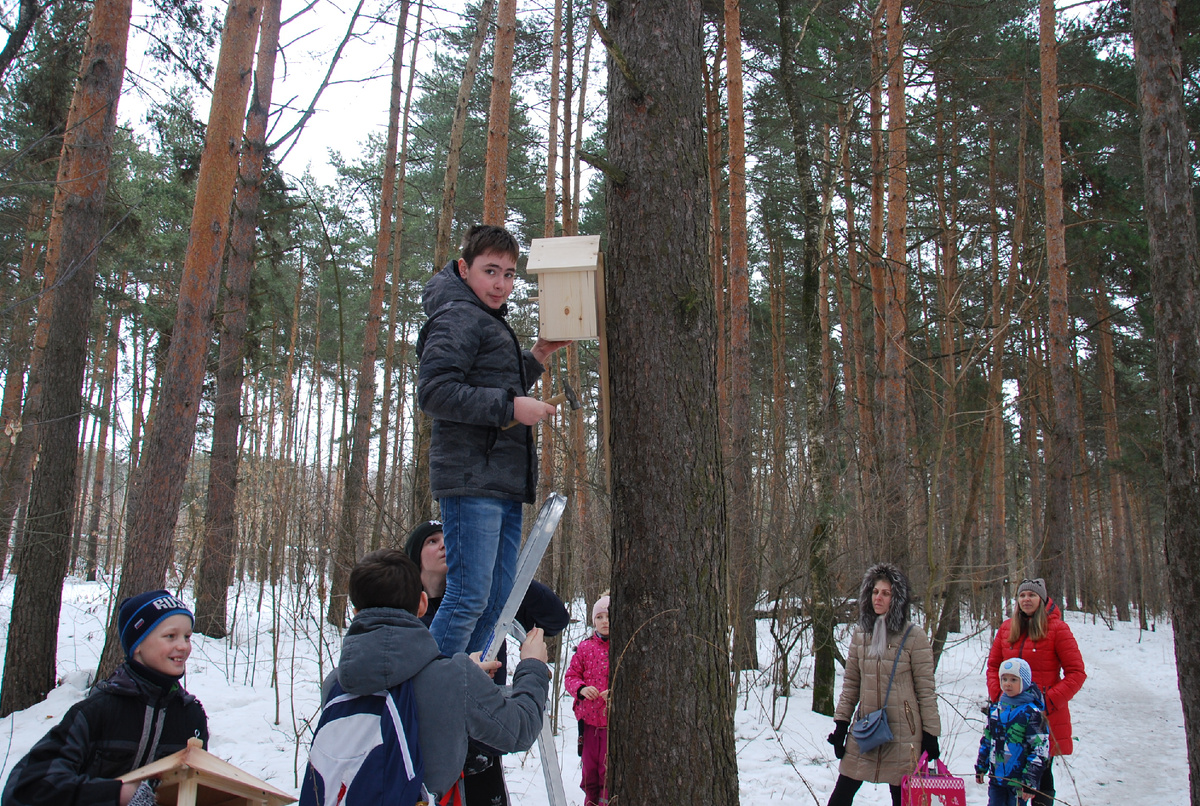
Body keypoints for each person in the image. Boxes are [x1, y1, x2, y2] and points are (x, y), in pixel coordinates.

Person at [416, 224, 569, 657]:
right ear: (464, 269)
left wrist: (537, 355)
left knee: (496, 604)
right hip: (471, 478)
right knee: (467, 599)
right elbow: (435, 392)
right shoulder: (456, 315)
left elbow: (488, 378)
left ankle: (470, 697)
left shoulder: (483, 319)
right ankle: (426, 702)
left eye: (508, 273)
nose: (500, 284)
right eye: (490, 271)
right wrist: (512, 407)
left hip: (500, 479)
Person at [318, 548, 551, 803]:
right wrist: (532, 665)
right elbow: (520, 730)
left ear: (354, 611)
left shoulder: (334, 683)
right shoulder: (454, 678)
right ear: (422, 603)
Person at [404, 519, 569, 806]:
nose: (444, 544)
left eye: (448, 538)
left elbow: (556, 619)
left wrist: (507, 576)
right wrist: (460, 674)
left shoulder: (486, 603)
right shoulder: (409, 618)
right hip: (431, 762)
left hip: (484, 755)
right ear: (415, 557)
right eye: (432, 541)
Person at [2, 590, 209, 806]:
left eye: (187, 636)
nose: (183, 646)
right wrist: (118, 794)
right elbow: (24, 789)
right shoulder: (97, 711)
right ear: (137, 645)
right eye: (170, 636)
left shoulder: (191, 716)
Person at [826, 564, 941, 806]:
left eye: (886, 593)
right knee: (841, 795)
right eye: (875, 591)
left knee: (902, 798)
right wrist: (841, 725)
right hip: (865, 729)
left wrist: (931, 735)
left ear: (896, 598)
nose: (878, 597)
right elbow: (851, 685)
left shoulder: (914, 636)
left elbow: (926, 691)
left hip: (903, 734)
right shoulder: (860, 634)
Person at [986, 578, 1086, 806]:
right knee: (1009, 776)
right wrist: (997, 697)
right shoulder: (1006, 629)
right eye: (1022, 595)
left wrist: (1047, 702)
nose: (1026, 599)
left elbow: (1076, 673)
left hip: (1043, 718)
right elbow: (993, 666)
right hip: (1009, 717)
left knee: (1040, 773)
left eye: (1031, 595)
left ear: (1042, 599)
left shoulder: (1057, 629)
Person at [975, 657, 1049, 806]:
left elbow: (1040, 749)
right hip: (997, 779)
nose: (1008, 683)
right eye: (1004, 679)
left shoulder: (1031, 713)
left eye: (1014, 680)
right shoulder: (997, 710)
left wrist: (1029, 781)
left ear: (1025, 682)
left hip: (1018, 782)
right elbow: (988, 740)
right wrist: (981, 766)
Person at [564, 593, 611, 806]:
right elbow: (571, 676)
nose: (605, 622)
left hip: (611, 725)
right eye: (600, 617)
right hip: (589, 723)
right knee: (589, 769)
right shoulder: (585, 647)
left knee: (607, 770)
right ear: (594, 621)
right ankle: (590, 801)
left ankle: (605, 801)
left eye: (609, 616)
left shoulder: (620, 648)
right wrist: (582, 690)